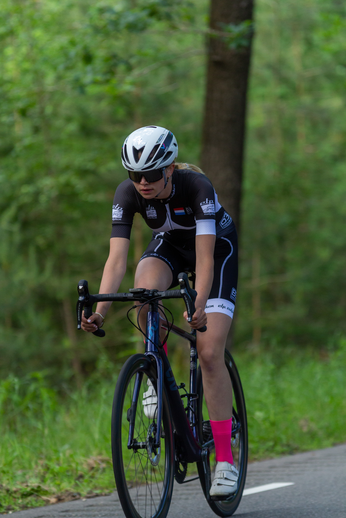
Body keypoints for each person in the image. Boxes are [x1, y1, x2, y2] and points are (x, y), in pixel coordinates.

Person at [81, 125, 239, 497]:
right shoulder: (127, 193)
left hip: (215, 251)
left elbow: (203, 258)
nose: (142, 182)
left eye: (151, 174)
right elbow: (116, 260)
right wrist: (100, 310)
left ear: (169, 169)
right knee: (143, 290)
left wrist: (198, 306)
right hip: (169, 245)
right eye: (135, 175)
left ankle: (226, 461)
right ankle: (154, 372)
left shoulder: (197, 187)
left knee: (210, 350)